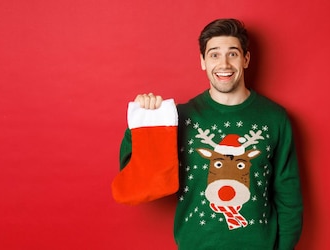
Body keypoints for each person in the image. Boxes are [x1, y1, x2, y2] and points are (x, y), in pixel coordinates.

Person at [119, 18, 303, 250]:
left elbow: (289, 196)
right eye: (214, 54)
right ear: (203, 61)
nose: (224, 64)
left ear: (246, 59)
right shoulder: (178, 117)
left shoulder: (275, 118)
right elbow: (134, 175)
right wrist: (141, 124)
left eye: (233, 54)